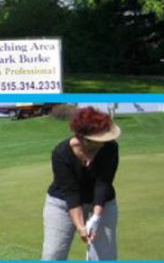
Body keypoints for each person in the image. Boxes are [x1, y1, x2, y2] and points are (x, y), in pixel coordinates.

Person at [42, 107, 121, 260]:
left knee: (105, 257)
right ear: (84, 138)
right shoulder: (61, 153)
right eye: (100, 140)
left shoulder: (110, 148)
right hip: (62, 203)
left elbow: (103, 183)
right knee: (53, 255)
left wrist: (96, 216)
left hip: (102, 203)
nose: (105, 142)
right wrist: (80, 227)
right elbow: (71, 193)